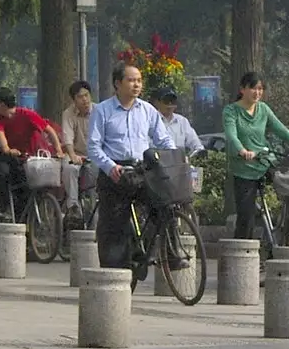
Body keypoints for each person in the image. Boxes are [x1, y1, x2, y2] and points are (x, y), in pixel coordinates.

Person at [87, 63, 177, 272]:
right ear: (117, 84)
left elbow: (163, 139)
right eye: (131, 80)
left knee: (167, 205)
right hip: (115, 173)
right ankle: (115, 274)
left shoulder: (147, 110)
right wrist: (111, 167)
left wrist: (174, 158)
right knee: (114, 224)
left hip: (142, 170)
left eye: (139, 80)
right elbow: (93, 147)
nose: (136, 84)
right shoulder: (102, 110)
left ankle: (168, 254)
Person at [221, 73, 289, 240]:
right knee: (246, 216)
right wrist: (242, 150)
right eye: (253, 88)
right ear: (242, 89)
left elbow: (280, 129)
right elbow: (232, 136)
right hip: (244, 166)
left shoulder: (264, 109)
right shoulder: (231, 111)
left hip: (264, 160)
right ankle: (242, 255)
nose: (257, 92)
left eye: (260, 89)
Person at [0, 87, 65, 221]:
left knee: (27, 186)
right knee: (1, 172)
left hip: (27, 157)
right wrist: (7, 149)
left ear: (1, 105)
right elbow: (1, 136)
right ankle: (5, 207)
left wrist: (58, 150)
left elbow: (49, 131)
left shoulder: (27, 114)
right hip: (8, 156)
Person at [58, 81, 94, 213]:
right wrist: (73, 155)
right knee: (69, 168)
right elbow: (68, 137)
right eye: (80, 97)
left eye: (86, 95)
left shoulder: (99, 111)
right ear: (74, 100)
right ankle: (73, 206)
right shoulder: (68, 114)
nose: (84, 99)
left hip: (95, 155)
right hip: (76, 153)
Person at [153, 87, 205, 157]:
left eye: (172, 101)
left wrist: (197, 154)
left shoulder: (182, 121)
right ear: (157, 102)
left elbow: (196, 145)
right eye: (166, 101)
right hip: (157, 164)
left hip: (179, 164)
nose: (170, 104)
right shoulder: (151, 121)